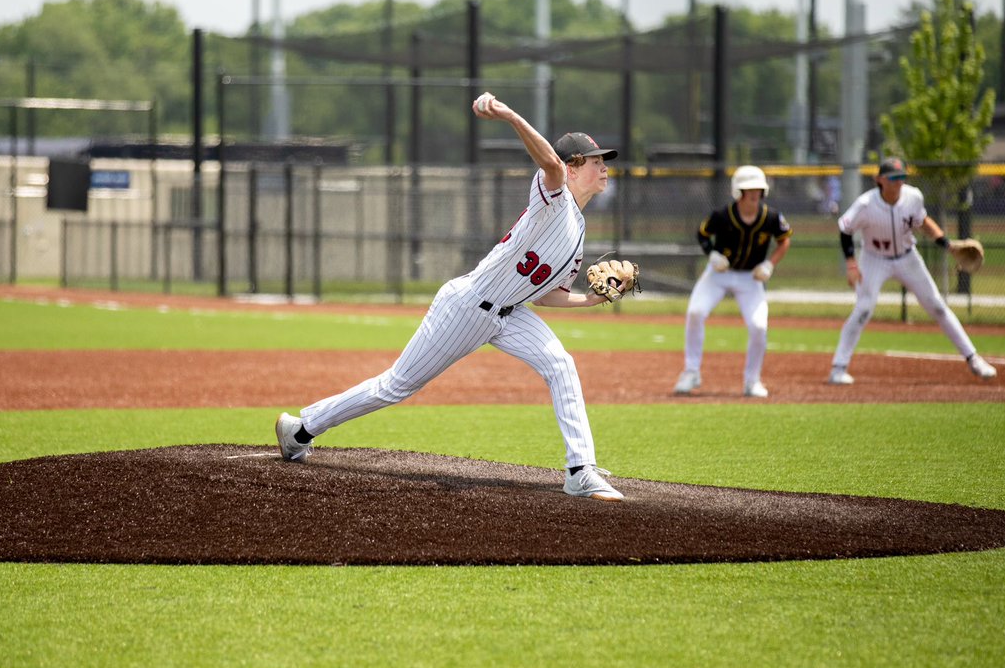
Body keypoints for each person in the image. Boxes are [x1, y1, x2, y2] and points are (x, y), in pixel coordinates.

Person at [275, 91, 630, 501]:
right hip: (468, 306)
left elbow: (547, 296)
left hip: (510, 315)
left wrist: (592, 301)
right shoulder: (554, 197)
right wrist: (508, 115)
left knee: (561, 365)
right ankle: (301, 429)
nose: (604, 167)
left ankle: (580, 470)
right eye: (595, 160)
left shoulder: (578, 231)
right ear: (572, 168)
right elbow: (549, 163)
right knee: (396, 386)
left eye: (604, 160)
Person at [827, 157, 997, 384]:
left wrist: (947, 244)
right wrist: (851, 264)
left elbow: (923, 222)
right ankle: (838, 368)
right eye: (893, 178)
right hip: (874, 259)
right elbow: (845, 229)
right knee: (864, 309)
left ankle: (973, 358)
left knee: (937, 306)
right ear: (879, 180)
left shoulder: (913, 197)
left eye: (902, 177)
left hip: (908, 258)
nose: (899, 182)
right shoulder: (866, 204)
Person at [673, 165, 793, 398]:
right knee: (696, 312)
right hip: (719, 274)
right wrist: (712, 255)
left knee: (759, 326)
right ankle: (691, 372)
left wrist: (770, 264)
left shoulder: (771, 217)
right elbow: (702, 234)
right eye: (749, 189)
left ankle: (752, 380)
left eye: (758, 188)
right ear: (738, 191)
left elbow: (784, 240)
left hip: (750, 277)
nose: (754, 193)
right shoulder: (722, 215)